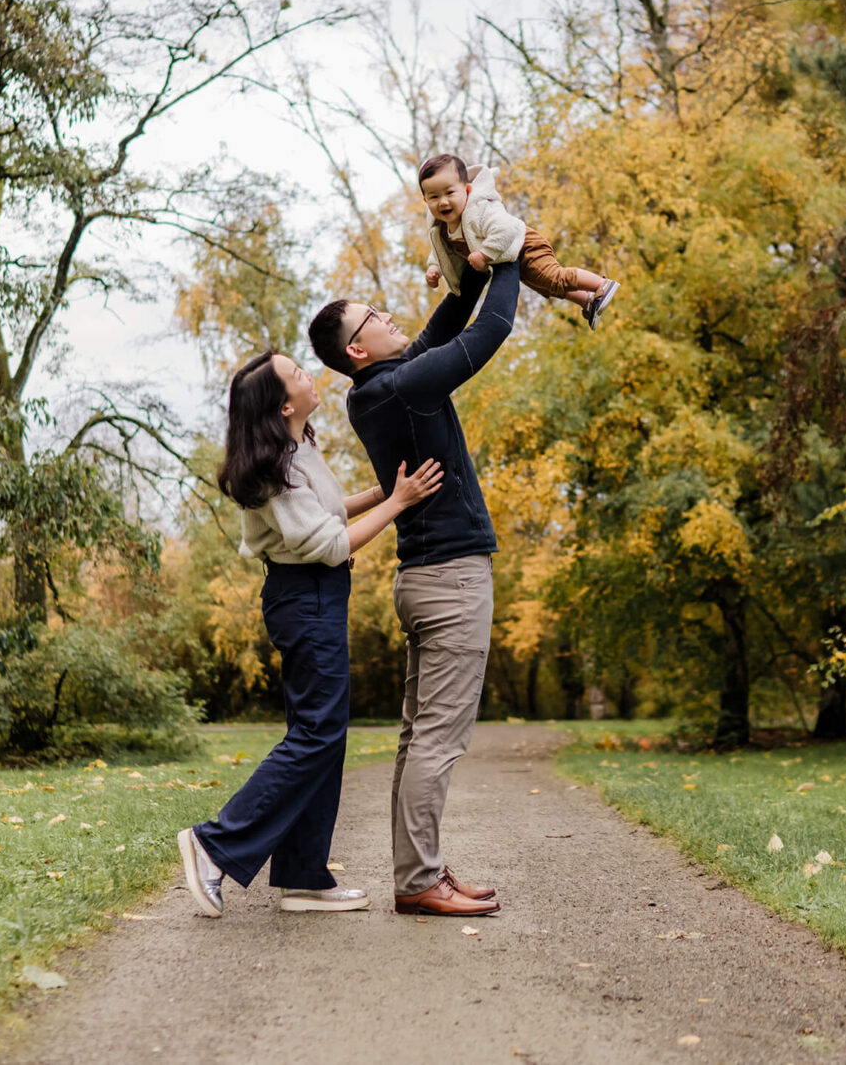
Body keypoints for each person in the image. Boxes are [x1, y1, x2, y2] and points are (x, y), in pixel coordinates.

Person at [177, 350, 443, 918]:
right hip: (306, 597)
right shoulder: (278, 469)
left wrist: (379, 494)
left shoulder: (300, 451)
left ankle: (303, 876)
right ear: (282, 403)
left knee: (324, 735)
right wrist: (399, 504)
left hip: (316, 596)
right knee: (317, 734)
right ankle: (214, 843)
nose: (307, 374)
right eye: (296, 373)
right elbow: (330, 544)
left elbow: (324, 516)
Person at [306, 255, 519, 918]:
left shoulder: (383, 384)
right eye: (374, 315)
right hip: (450, 578)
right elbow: (491, 329)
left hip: (427, 576)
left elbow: (450, 317)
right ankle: (421, 879)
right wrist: (510, 255)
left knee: (415, 735)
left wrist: (469, 263)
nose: (390, 313)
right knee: (437, 737)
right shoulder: (399, 388)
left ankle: (417, 873)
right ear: (358, 346)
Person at [419, 153, 619, 329]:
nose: (443, 201)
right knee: (546, 286)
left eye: (450, 193)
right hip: (510, 256)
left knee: (553, 276)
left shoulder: (479, 210)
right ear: (426, 201)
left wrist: (484, 254)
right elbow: (440, 250)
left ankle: (602, 284)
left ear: (468, 190)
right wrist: (434, 268)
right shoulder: (441, 228)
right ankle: (587, 301)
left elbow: (506, 229)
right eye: (434, 196)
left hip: (525, 244)